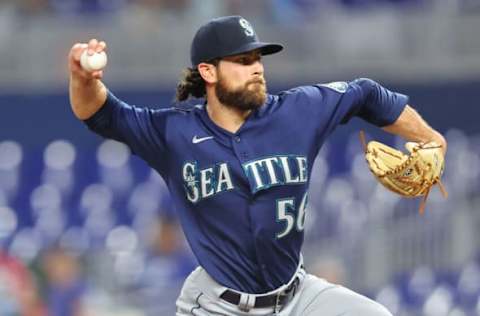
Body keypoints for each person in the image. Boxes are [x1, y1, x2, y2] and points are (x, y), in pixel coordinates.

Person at [68, 15, 447, 316]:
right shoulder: (173, 133)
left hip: (298, 298)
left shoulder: (299, 111)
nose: (257, 68)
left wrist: (430, 138)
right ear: (208, 72)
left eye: (258, 58)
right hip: (216, 305)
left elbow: (366, 93)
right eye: (243, 60)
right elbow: (100, 112)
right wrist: (83, 78)